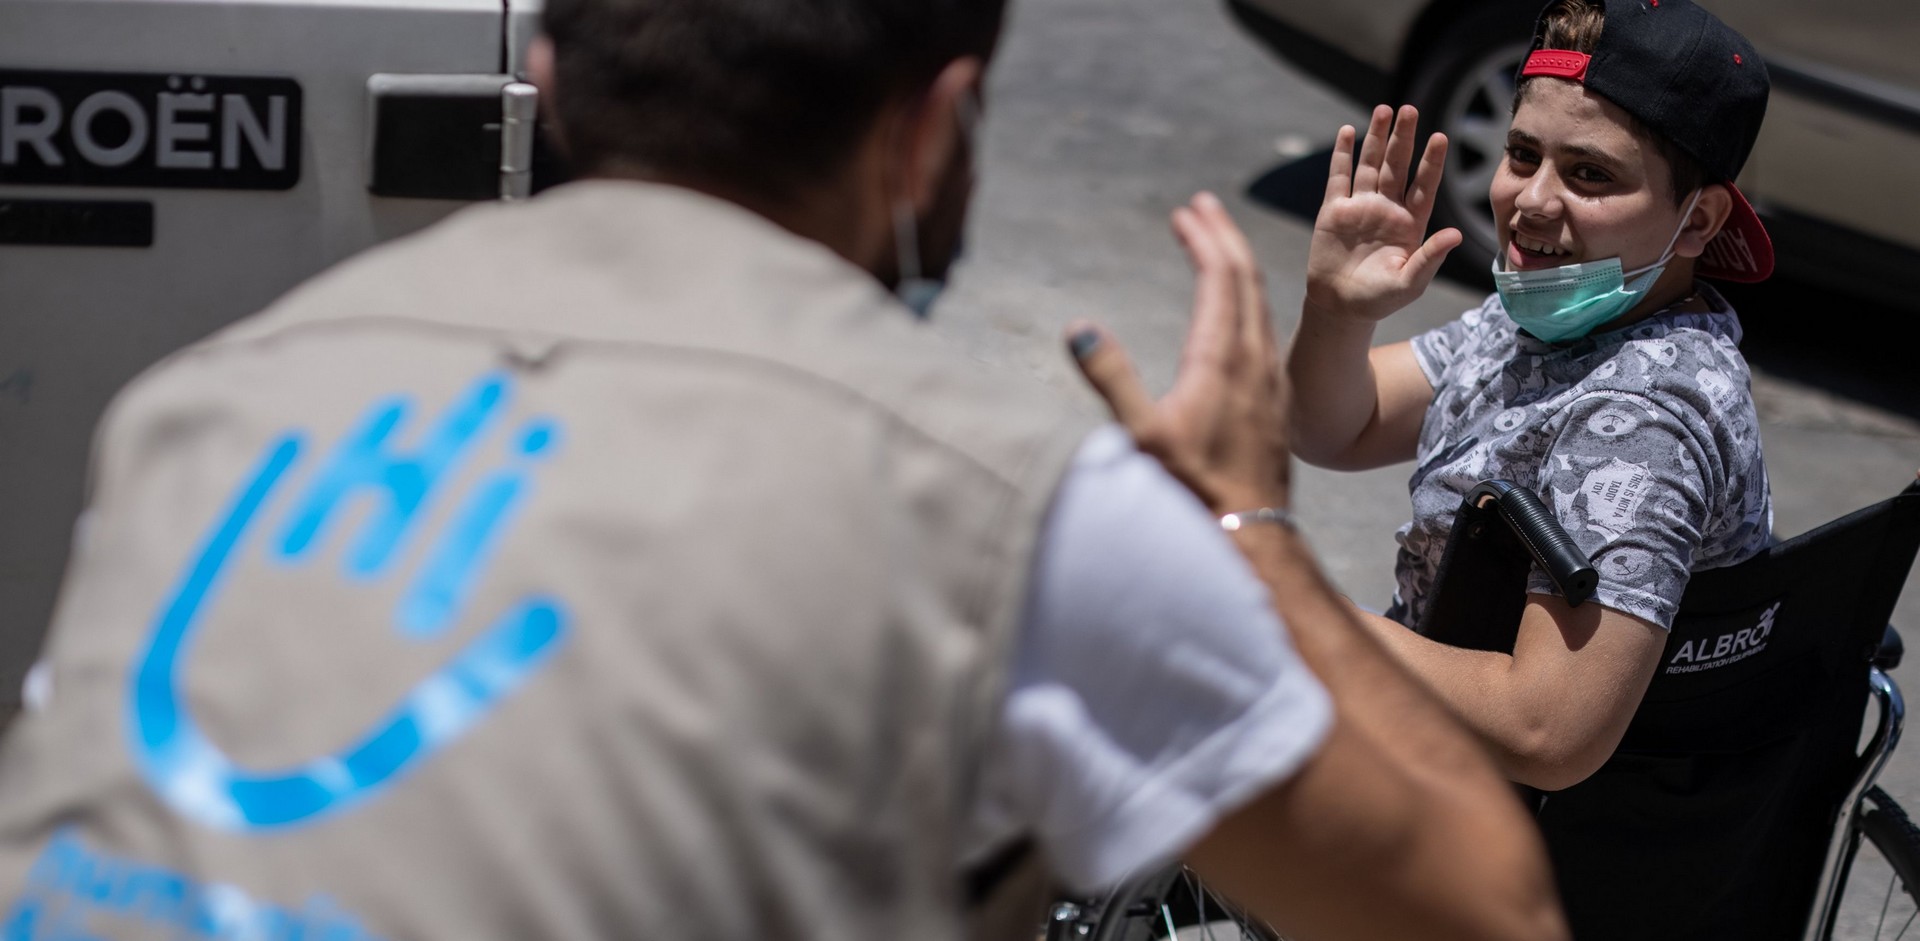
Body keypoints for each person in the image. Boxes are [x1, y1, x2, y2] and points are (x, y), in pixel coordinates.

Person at [0, 1, 1566, 939]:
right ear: (938, 126)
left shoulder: (199, 403)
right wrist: (1251, 524)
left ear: (546, 75)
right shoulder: (996, 508)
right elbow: (1482, 915)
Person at [1287, 0, 1774, 792]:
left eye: (1590, 173)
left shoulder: (1644, 419)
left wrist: (1303, 617)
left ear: (1699, 220)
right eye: (1522, 154)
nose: (1532, 202)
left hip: (1471, 822)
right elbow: (1336, 427)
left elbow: (1550, 729)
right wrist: (1337, 310)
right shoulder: (1546, 315)